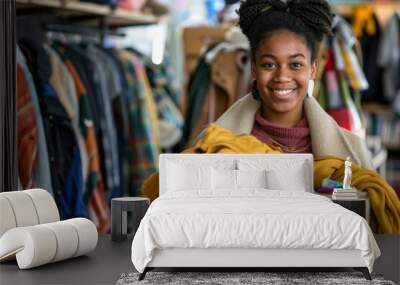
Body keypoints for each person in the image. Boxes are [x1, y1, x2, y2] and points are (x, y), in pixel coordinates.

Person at [200, 0, 373, 169]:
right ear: (254, 69)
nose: (282, 77)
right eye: (269, 64)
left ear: (313, 69)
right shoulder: (212, 145)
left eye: (295, 65)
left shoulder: (355, 154)